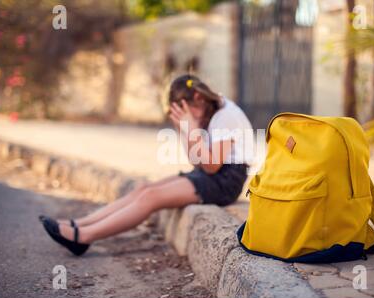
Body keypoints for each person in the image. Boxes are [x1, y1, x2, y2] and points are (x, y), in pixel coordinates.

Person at [40, 74, 254, 256]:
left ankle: (84, 237)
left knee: (151, 198)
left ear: (198, 97)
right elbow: (196, 161)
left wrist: (192, 129)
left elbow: (211, 166)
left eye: (184, 110)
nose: (186, 117)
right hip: (211, 174)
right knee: (145, 189)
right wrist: (187, 130)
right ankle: (81, 224)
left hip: (225, 181)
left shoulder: (227, 116)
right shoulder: (209, 112)